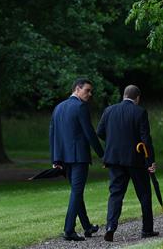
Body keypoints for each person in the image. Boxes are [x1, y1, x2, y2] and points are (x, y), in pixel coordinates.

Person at [97, 84, 159, 242]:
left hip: (114, 159)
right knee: (144, 194)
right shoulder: (140, 112)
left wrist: (114, 142)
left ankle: (110, 226)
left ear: (124, 95)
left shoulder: (109, 110)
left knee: (115, 194)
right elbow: (146, 139)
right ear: (137, 98)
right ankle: (147, 229)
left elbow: (100, 132)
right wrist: (150, 160)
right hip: (136, 160)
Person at [49, 78, 104, 241]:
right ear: (77, 89)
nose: (90, 94)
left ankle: (87, 227)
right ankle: (69, 230)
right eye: (87, 90)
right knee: (77, 193)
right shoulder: (80, 107)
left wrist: (55, 158)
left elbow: (52, 135)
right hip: (78, 158)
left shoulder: (58, 107)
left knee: (76, 193)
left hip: (63, 159)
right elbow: (90, 134)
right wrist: (103, 155)